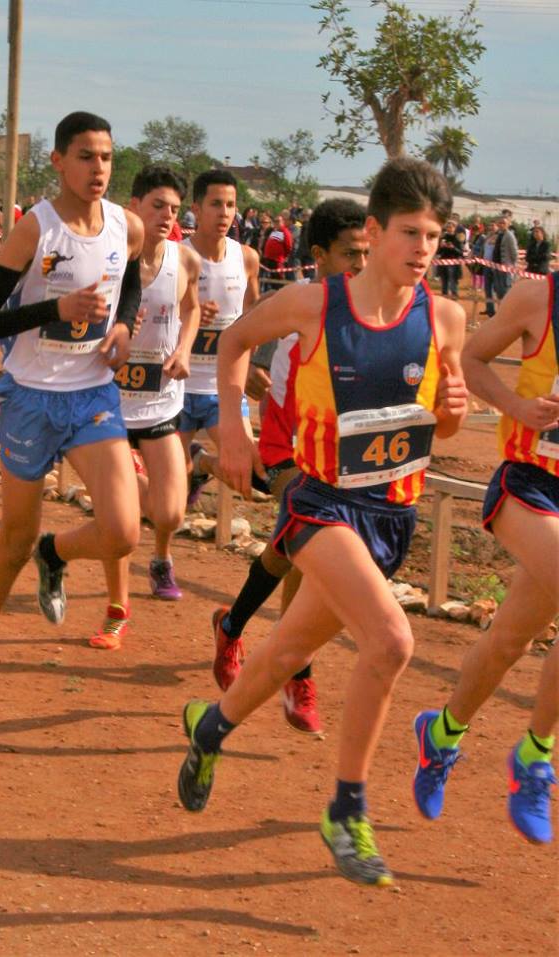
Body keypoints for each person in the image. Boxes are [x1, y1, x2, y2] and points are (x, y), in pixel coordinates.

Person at [175, 156, 469, 887]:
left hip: (392, 519)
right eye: (410, 232)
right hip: (320, 503)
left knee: (281, 655)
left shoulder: (447, 319)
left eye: (435, 235)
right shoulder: (314, 304)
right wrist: (237, 428)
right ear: (373, 232)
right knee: (393, 639)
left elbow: (442, 426)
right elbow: (237, 340)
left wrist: (456, 416)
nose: (424, 248)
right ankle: (346, 805)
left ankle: (209, 728)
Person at [0, 110, 144, 722]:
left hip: (92, 395)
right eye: (86, 156)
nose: (99, 169)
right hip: (32, 397)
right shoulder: (33, 231)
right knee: (10, 542)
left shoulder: (126, 226)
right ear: (59, 161)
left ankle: (57, 552)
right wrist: (55, 309)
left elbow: (132, 281)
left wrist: (121, 324)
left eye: (108, 157)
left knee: (122, 531)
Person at [209, 198, 370, 735]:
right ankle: (299, 671)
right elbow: (285, 397)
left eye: (367, 254)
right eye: (351, 255)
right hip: (291, 452)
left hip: (344, 463)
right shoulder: (304, 314)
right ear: (320, 257)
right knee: (308, 554)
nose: (362, 267)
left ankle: (232, 625)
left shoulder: (373, 311)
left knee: (289, 553)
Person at [413, 276, 558, 844]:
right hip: (529, 483)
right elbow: (471, 360)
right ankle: (535, 758)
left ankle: (441, 734)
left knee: (508, 641)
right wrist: (517, 404)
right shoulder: (535, 299)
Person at [91, 164, 200, 647]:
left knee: (171, 513)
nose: (166, 216)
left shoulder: (184, 260)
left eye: (174, 209)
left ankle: (157, 550)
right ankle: (117, 608)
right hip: (108, 404)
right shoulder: (108, 259)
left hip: (160, 403)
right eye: (157, 205)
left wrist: (184, 349)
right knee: (121, 524)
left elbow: (192, 306)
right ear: (133, 206)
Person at [179, 169, 259, 505]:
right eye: (215, 204)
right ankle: (197, 463)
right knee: (168, 491)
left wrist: (249, 366)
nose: (224, 213)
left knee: (251, 474)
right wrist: (190, 314)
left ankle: (202, 463)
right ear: (196, 208)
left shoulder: (247, 258)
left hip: (221, 389)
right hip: (177, 387)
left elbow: (254, 320)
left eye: (230, 205)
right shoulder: (176, 256)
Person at [436, 220, 463, 299]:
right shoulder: (443, 237)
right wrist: (441, 246)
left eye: (451, 227)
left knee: (453, 280)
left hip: (453, 262)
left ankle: (454, 297)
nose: (449, 228)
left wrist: (453, 247)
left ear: (455, 228)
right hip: (443, 261)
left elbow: (461, 252)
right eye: (447, 227)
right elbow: (438, 252)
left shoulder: (458, 238)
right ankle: (444, 297)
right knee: (444, 280)